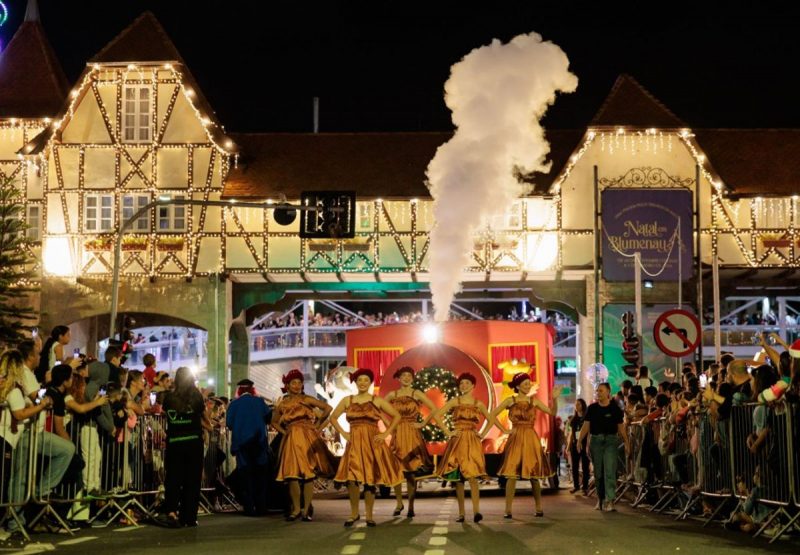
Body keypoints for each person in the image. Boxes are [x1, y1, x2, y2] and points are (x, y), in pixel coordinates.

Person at [330, 368, 403, 527]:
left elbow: (397, 416)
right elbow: (333, 418)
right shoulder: (347, 400)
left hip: (372, 443)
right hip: (354, 442)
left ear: (370, 382)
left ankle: (369, 516)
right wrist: (343, 433)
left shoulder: (377, 400)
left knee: (370, 480)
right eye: (360, 380)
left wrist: (385, 435)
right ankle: (354, 513)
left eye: (366, 380)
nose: (363, 383)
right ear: (355, 382)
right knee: (351, 479)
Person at [434, 372, 499, 523]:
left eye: (467, 383)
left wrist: (481, 434)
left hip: (472, 440)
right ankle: (461, 514)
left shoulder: (478, 403)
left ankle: (477, 512)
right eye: (461, 383)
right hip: (457, 441)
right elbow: (437, 415)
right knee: (458, 479)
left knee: (473, 477)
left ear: (473, 386)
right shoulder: (455, 401)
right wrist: (448, 431)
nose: (464, 385)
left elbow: (491, 419)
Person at [492, 372, 557, 519]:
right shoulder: (510, 400)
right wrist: (503, 430)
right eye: (525, 384)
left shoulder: (533, 401)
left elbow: (552, 412)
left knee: (534, 475)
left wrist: (554, 398)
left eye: (529, 384)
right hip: (515, 436)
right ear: (517, 385)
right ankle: (508, 509)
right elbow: (492, 414)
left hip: (530, 437)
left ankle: (539, 507)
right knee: (511, 475)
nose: (528, 386)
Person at [272, 370, 334, 521]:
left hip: (306, 436)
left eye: (299, 382)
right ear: (287, 385)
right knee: (292, 475)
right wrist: (284, 431)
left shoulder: (307, 399)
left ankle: (306, 510)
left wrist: (317, 426)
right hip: (292, 438)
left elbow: (328, 409)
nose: (297, 385)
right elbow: (273, 421)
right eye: (294, 383)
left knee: (308, 475)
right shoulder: (283, 403)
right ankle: (296, 509)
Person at [157, 367, 209, 527]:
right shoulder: (197, 397)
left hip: (175, 441)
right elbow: (203, 415)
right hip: (193, 441)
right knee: (192, 479)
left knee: (173, 477)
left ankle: (172, 511)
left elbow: (166, 414)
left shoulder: (169, 398)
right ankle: (190, 516)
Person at [383, 366, 439, 519]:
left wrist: (422, 424)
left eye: (409, 375)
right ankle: (399, 502)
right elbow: (377, 407)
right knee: (395, 469)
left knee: (411, 472)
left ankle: (411, 506)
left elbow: (434, 408)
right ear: (399, 378)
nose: (406, 378)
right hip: (398, 432)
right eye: (403, 375)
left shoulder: (417, 393)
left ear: (412, 378)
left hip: (412, 433)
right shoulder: (392, 395)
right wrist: (388, 424)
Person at [577, 382, 630, 512]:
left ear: (608, 392)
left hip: (611, 441)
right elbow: (586, 425)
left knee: (610, 471)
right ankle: (600, 499)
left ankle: (610, 500)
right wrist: (580, 440)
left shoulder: (615, 409)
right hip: (596, 441)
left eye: (601, 391)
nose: (598, 393)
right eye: (597, 391)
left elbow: (621, 427)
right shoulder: (592, 408)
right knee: (598, 473)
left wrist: (627, 442)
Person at [226, 378, 272, 517]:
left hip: (242, 445)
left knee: (246, 477)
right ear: (252, 389)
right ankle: (261, 507)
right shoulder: (259, 402)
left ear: (239, 390)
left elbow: (229, 423)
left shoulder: (234, 404)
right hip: (259, 444)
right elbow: (268, 417)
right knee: (260, 476)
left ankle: (249, 507)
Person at [567, 398, 590, 495]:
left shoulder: (587, 418)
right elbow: (571, 433)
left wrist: (588, 444)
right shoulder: (573, 419)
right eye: (575, 404)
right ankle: (576, 486)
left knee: (585, 466)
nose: (577, 406)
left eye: (579, 404)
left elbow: (589, 432)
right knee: (574, 466)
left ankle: (585, 487)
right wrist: (568, 446)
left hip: (584, 444)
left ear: (583, 405)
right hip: (574, 444)